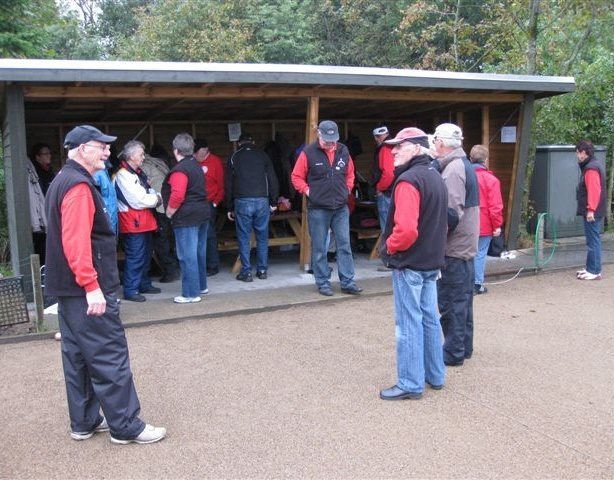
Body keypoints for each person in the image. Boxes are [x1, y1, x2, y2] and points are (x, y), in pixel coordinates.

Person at [44, 124, 165, 444]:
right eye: (102, 146)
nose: (108, 152)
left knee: (78, 356)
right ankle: (126, 426)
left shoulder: (62, 179)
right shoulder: (78, 186)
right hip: (86, 288)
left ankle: (84, 421)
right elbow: (76, 241)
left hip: (67, 289)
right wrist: (91, 286)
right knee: (109, 354)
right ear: (83, 149)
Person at [378, 128, 449, 400]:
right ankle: (435, 374)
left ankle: (410, 382)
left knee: (408, 323)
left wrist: (388, 247)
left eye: (400, 146)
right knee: (430, 318)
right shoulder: (435, 175)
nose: (394, 150)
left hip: (410, 263)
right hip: (431, 261)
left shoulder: (408, 180)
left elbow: (406, 230)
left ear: (417, 148)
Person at [291, 120, 363, 297]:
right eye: (326, 140)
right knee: (319, 247)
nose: (330, 143)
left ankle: (348, 282)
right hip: (318, 208)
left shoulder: (343, 151)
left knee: (344, 245)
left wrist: (347, 190)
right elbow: (296, 176)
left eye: (333, 140)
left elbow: (350, 174)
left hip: (340, 207)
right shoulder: (308, 152)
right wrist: (308, 191)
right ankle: (322, 282)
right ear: (319, 134)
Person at [432, 123, 479, 367]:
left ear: (441, 142)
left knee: (451, 302)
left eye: (435, 140)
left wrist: (432, 238)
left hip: (455, 248)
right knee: (463, 301)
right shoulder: (463, 164)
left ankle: (453, 351)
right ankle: (463, 347)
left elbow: (450, 214)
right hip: (465, 246)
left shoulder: (453, 170)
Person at [161, 133, 210, 303]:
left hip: (186, 217)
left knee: (186, 255)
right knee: (199, 252)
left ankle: (190, 293)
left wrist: (169, 212)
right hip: (202, 213)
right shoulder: (196, 165)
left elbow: (177, 195)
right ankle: (201, 286)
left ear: (176, 150)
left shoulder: (180, 170)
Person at [225, 133, 279, 282]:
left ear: (239, 143)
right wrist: (274, 202)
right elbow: (272, 179)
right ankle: (262, 270)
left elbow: (228, 184)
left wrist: (229, 206)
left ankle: (246, 272)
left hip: (242, 200)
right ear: (253, 142)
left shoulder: (234, 157)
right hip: (262, 200)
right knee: (262, 237)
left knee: (244, 238)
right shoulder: (263, 156)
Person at [114, 140, 161, 302]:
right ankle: (131, 289)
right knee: (135, 257)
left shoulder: (136, 173)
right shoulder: (123, 175)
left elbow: (148, 192)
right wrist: (157, 199)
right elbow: (138, 200)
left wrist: (153, 196)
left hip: (143, 222)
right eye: (141, 154)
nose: (143, 157)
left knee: (146, 255)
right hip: (133, 223)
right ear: (132, 156)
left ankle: (143, 284)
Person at [141, 151, 180, 283]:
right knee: (170, 239)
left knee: (161, 241)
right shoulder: (159, 161)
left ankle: (169, 271)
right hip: (168, 205)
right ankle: (173, 268)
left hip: (158, 206)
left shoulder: (143, 167)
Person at [469, 145, 503, 294]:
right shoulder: (491, 180)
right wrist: (497, 226)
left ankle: (466, 282)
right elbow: (495, 206)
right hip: (484, 223)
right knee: (480, 254)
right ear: (486, 160)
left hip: (465, 223)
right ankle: (477, 283)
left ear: (471, 158)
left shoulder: (463, 176)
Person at [575, 140, 606, 281]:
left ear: (583, 152)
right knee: (592, 240)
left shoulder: (591, 168)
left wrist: (591, 210)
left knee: (593, 241)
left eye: (578, 152)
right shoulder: (593, 165)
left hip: (593, 212)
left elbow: (594, 190)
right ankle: (590, 268)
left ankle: (594, 271)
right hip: (594, 210)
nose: (577, 155)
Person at [194, 138, 225, 276]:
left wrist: (215, 203)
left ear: (206, 150)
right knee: (195, 235)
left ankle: (212, 265)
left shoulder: (215, 162)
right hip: (194, 204)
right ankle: (199, 265)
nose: (197, 155)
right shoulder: (192, 161)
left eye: (199, 152)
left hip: (209, 203)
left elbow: (221, 185)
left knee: (209, 235)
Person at [370, 125, 395, 230]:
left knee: (387, 228)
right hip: (395, 191)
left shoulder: (385, 148)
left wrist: (380, 188)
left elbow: (389, 173)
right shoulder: (395, 145)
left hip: (386, 193)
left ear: (376, 137)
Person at [26, 158, 48, 264]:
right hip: (37, 219)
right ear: (38, 157)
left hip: (42, 216)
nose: (49, 156)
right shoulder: (29, 167)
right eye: (45, 154)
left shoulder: (47, 171)